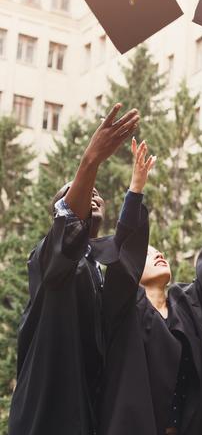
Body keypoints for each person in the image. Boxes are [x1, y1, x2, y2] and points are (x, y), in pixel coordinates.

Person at [97, 157, 202, 435]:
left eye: (159, 252)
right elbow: (124, 255)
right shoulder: (122, 308)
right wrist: (136, 188)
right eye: (147, 254)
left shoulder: (187, 303)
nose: (159, 254)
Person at [9, 103, 140, 435]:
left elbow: (121, 248)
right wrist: (90, 161)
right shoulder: (47, 258)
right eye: (83, 191)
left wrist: (135, 189)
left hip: (88, 409)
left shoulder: (96, 266)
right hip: (49, 412)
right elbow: (68, 227)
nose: (92, 194)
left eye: (96, 192)